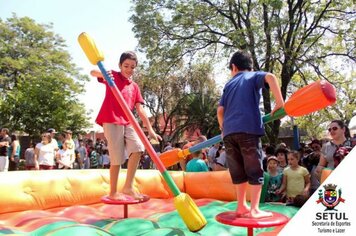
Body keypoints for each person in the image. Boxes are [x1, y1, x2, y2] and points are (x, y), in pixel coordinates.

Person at [217, 50, 284, 218]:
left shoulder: (229, 84)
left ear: (234, 67)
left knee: (238, 171)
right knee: (254, 169)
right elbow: (271, 77)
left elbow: (220, 111)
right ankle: (254, 209)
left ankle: (241, 206)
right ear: (250, 66)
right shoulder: (252, 76)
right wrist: (280, 102)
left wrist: (223, 128)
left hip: (229, 134)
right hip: (248, 129)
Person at [90, 51, 161, 201]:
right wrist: (104, 73)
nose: (129, 69)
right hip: (111, 119)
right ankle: (113, 192)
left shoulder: (134, 86)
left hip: (128, 121)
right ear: (120, 65)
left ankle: (128, 187)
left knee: (138, 149)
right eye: (126, 66)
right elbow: (93, 72)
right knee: (117, 158)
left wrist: (150, 130)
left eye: (132, 67)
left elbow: (140, 110)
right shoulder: (113, 76)